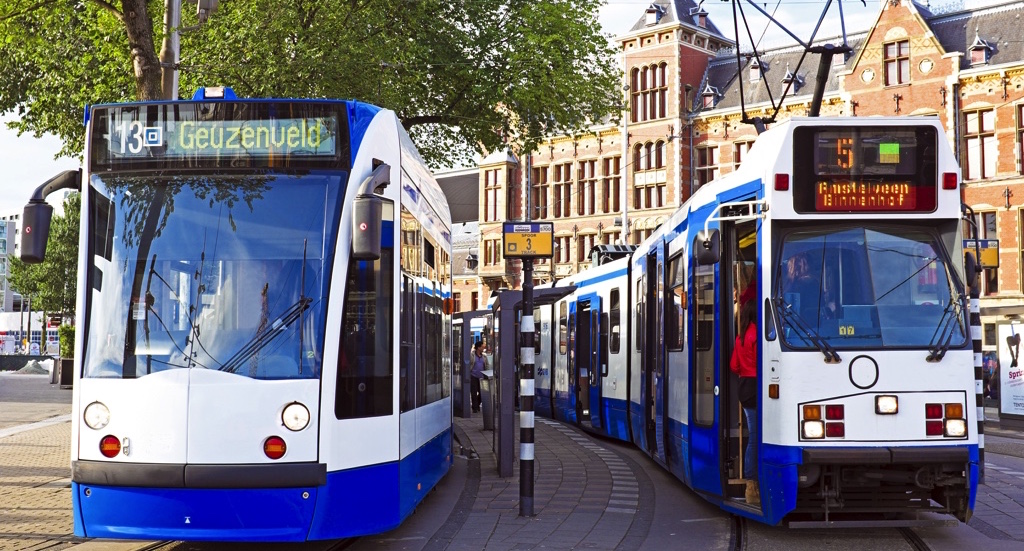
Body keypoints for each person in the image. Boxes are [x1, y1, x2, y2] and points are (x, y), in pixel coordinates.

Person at [730, 298, 758, 504]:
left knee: (753, 434)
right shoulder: (757, 334)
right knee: (756, 436)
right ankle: (752, 483)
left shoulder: (742, 335)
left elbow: (734, 365)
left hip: (745, 387)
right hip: (757, 386)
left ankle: (750, 483)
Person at [470, 340, 488, 413]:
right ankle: (475, 408)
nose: (483, 348)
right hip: (473, 376)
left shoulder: (484, 356)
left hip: (482, 377)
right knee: (474, 393)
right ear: (478, 348)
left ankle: (477, 404)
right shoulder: (471, 355)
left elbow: (486, 365)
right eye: (482, 347)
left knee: (482, 393)